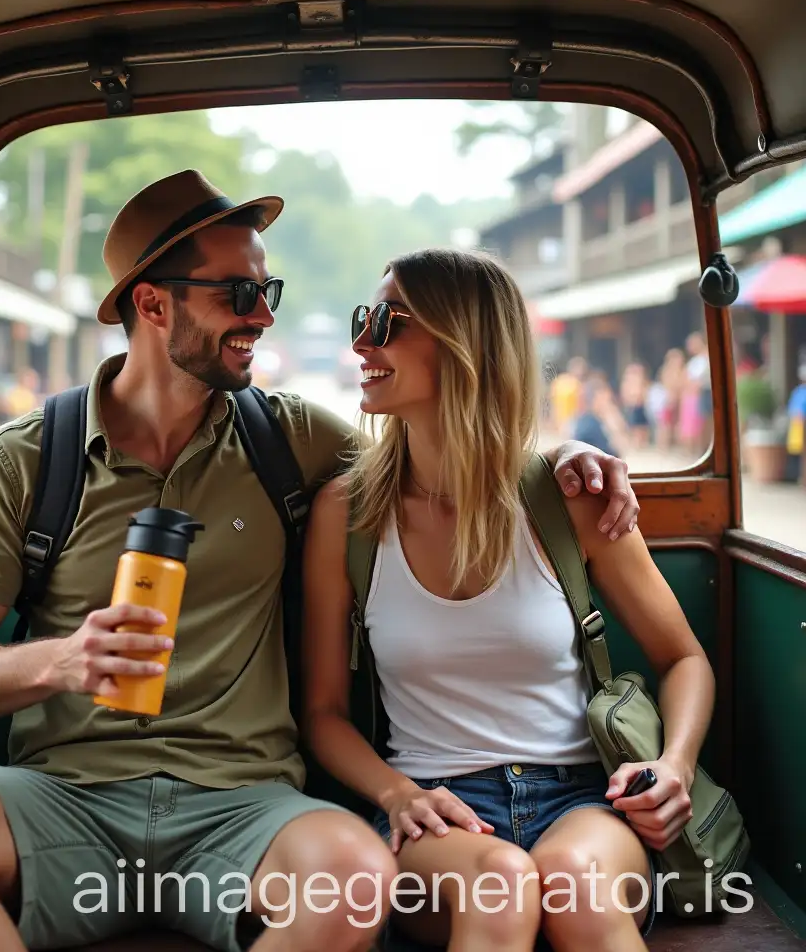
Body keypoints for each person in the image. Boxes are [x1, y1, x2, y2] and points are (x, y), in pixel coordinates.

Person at [0, 172, 641, 952]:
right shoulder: (26, 459)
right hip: (66, 796)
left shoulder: (294, 440)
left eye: (268, 289)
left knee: (356, 875)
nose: (264, 315)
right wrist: (62, 662)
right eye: (238, 293)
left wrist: (565, 458)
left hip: (244, 808)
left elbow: (450, 453)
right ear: (153, 304)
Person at [302, 248, 714, 952]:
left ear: (465, 344)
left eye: (386, 320)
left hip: (584, 798)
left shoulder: (568, 500)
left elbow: (684, 659)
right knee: (500, 880)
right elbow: (324, 713)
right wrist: (399, 796)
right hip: (434, 810)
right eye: (361, 318)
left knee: (575, 883)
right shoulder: (349, 514)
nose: (361, 341)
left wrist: (671, 767)